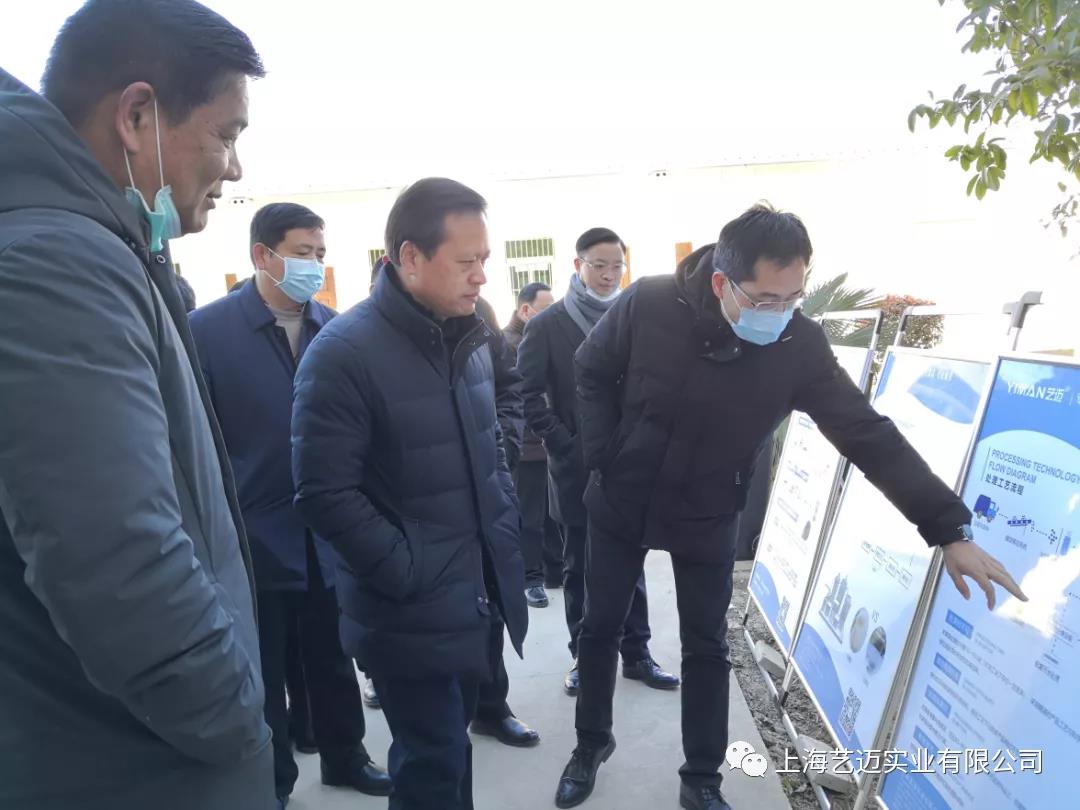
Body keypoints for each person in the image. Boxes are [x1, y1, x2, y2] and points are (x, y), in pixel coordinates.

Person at [554, 204, 1028, 810]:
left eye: (793, 298)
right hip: (622, 498)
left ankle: (702, 779)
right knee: (600, 628)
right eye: (765, 299)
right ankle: (590, 744)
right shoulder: (648, 302)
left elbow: (866, 433)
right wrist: (604, 453)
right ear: (722, 283)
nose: (778, 313)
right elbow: (591, 368)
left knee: (707, 645)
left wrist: (947, 528)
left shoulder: (798, 345)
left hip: (709, 509)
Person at [0, 2, 275, 809]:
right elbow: (119, 562)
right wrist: (238, 723)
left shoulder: (98, 250)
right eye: (226, 134)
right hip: (134, 766)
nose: (234, 169)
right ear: (137, 117)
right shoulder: (59, 265)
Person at [292, 177, 529, 810]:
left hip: (471, 595)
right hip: (406, 608)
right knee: (431, 764)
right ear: (410, 257)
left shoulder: (468, 333)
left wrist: (500, 501)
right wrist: (408, 569)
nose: (481, 276)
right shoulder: (343, 353)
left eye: (485, 259)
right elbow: (323, 492)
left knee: (451, 755)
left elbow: (492, 427)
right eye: (466, 261)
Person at [189, 203, 391, 806]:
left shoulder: (335, 330)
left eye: (320, 254)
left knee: (333, 653)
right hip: (252, 532)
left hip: (327, 528)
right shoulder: (207, 332)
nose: (314, 266)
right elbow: (195, 439)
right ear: (263, 255)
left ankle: (345, 756)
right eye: (303, 253)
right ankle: (273, 780)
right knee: (263, 665)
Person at [517, 228, 678, 696]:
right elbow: (527, 394)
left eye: (617, 266)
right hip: (575, 469)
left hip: (631, 466)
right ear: (578, 266)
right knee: (579, 565)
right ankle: (583, 658)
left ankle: (637, 653)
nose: (609, 275)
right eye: (599, 265)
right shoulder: (548, 325)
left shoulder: (637, 317)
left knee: (632, 560)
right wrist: (564, 443)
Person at [469, 296, 541, 748]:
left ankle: (491, 708)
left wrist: (505, 447)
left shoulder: (477, 313)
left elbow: (508, 386)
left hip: (485, 489)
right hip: (420, 501)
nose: (476, 274)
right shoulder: (374, 332)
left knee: (491, 599)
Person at [503, 282, 563, 607]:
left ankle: (555, 571)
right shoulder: (507, 344)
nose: (552, 315)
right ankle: (531, 579)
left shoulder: (541, 337)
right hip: (526, 445)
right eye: (546, 309)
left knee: (552, 514)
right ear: (525, 310)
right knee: (530, 516)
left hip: (547, 441)